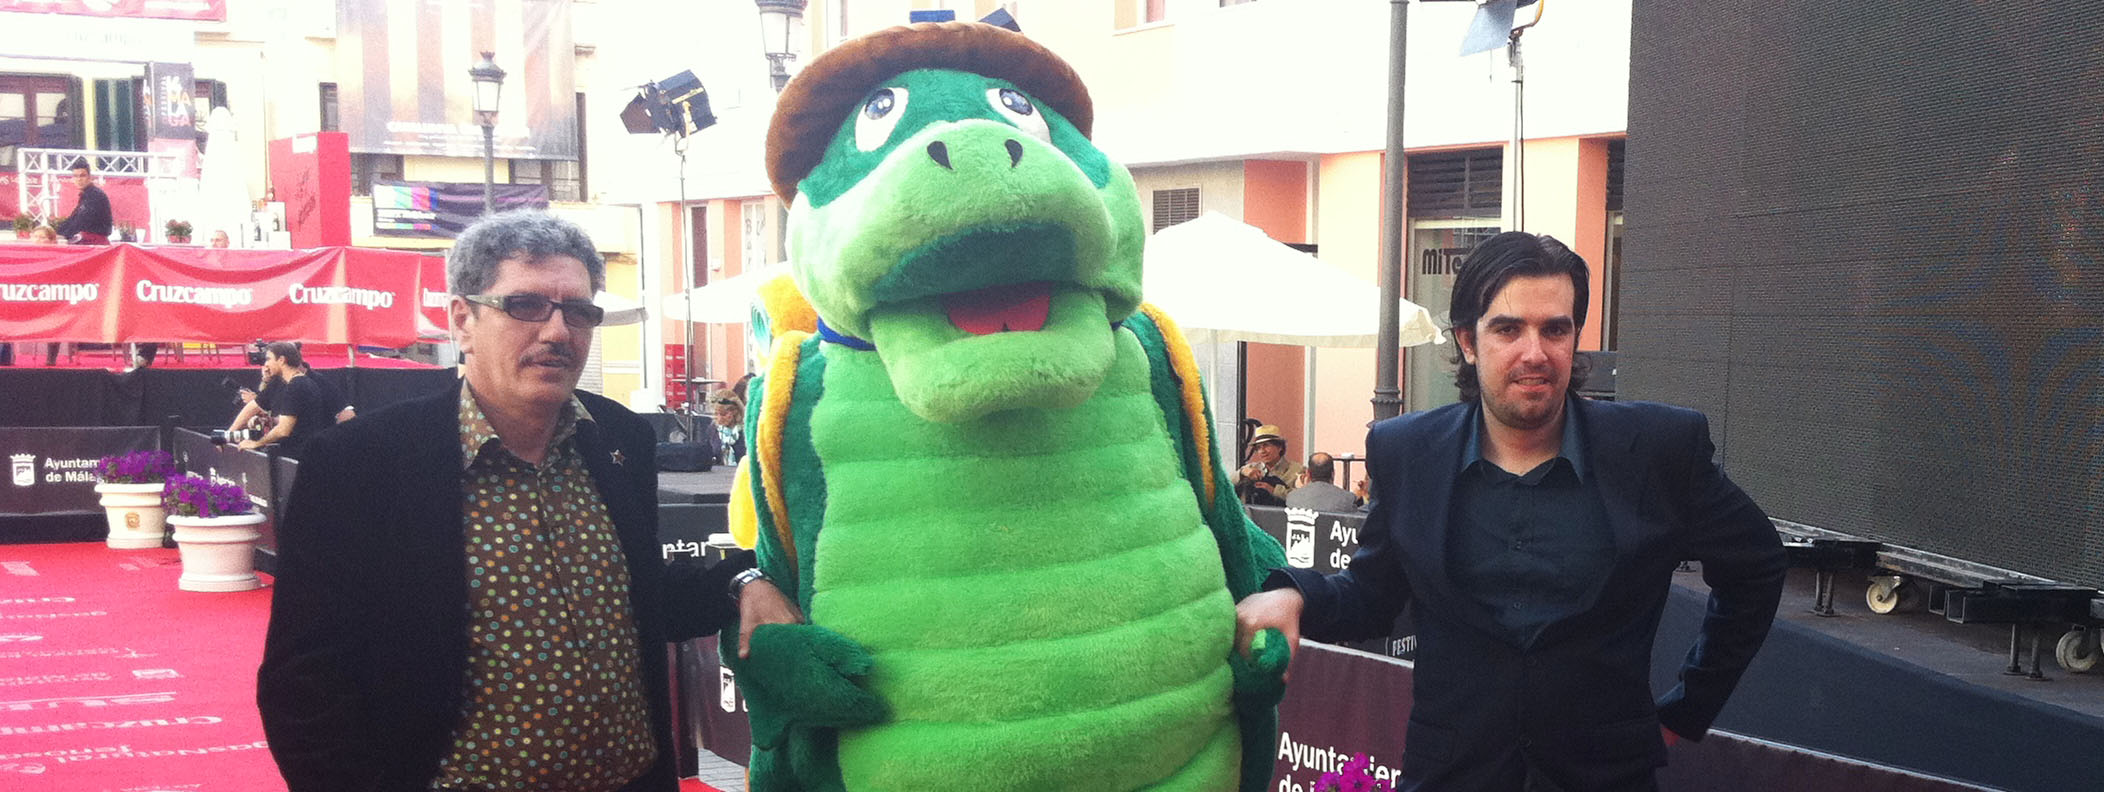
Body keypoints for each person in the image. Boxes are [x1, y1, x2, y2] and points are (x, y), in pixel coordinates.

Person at [257, 211, 800, 792]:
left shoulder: (621, 438)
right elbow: (303, 684)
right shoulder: (363, 462)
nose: (559, 332)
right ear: (462, 320)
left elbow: (640, 599)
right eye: (525, 306)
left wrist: (743, 581)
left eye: (579, 311)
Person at [1234, 232, 1787, 792]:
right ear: (1468, 342)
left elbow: (1757, 566)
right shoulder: (1407, 452)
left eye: (1555, 328)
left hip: (1605, 776)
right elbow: (1374, 595)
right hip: (1452, 776)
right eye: (1508, 328)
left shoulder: (1657, 449)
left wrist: (1687, 709)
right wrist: (1295, 593)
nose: (1535, 352)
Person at [235, 342, 335, 459]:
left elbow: (283, 430)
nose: (266, 364)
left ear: (281, 360)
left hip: (299, 458)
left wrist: (256, 444)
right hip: (302, 455)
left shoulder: (296, 386)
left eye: (268, 359)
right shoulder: (299, 383)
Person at [1232, 424, 1302, 507]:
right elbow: (1224, 485)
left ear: (1280, 447)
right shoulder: (1251, 468)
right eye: (1258, 448)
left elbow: (1302, 499)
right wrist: (1242, 472)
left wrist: (1274, 490)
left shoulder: (1297, 470)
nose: (1262, 451)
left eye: (1266, 445)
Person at [54, 163, 112, 245]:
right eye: (75, 176)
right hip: (89, 241)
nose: (79, 179)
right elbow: (73, 218)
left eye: (82, 176)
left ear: (89, 177)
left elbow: (82, 220)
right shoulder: (87, 195)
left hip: (95, 243)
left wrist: (62, 234)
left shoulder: (95, 195)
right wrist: (57, 233)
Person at [1285, 452, 1362, 512]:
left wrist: (1303, 488)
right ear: (1333, 473)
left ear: (1308, 474)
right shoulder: (1347, 499)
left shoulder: (1292, 497)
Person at [709, 389, 745, 466]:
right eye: (716, 414)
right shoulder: (713, 430)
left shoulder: (747, 431)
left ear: (735, 411)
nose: (719, 419)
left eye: (723, 414)